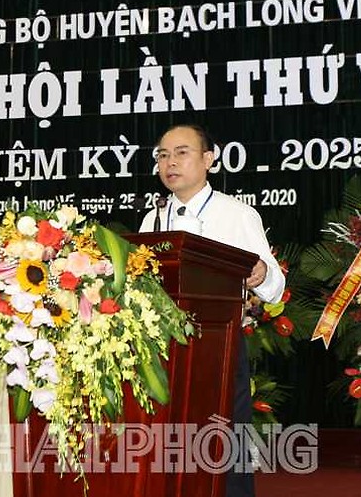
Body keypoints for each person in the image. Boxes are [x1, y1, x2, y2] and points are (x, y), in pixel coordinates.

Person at [138, 124, 284, 497]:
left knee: (225, 444)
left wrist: (261, 273)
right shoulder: (153, 219)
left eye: (181, 153)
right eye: (163, 155)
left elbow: (275, 287)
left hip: (219, 348)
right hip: (163, 350)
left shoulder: (236, 214)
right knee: (170, 446)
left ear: (208, 159)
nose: (170, 163)